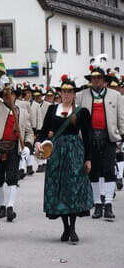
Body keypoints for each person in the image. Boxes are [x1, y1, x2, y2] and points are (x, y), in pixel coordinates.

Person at [35, 74, 93, 244]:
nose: (66, 94)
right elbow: (44, 131)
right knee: (58, 188)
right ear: (60, 93)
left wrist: (88, 159)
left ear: (74, 93)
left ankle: (73, 227)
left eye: (70, 91)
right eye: (64, 91)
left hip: (74, 153)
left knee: (72, 188)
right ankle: (65, 227)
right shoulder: (53, 110)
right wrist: (39, 142)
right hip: (56, 153)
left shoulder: (81, 112)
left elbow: (87, 137)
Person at [75, 55, 124, 220]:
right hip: (89, 138)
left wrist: (121, 136)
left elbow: (120, 118)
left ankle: (108, 204)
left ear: (104, 80)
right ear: (91, 79)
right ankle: (97, 204)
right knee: (93, 171)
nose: (96, 81)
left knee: (109, 170)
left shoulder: (115, 96)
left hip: (109, 137)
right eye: (94, 78)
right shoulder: (82, 96)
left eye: (99, 78)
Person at [0, 75, 34, 222]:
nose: (9, 97)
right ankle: (1, 205)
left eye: (11, 94)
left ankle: (10, 206)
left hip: (13, 148)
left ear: (15, 96)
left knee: (12, 178)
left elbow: (28, 132)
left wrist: (28, 146)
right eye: (6, 95)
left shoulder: (23, 112)